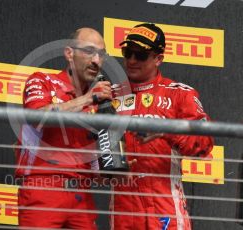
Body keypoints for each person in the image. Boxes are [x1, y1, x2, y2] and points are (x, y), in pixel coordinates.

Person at [110, 23, 214, 230]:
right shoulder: (108, 95)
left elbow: (205, 145)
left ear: (158, 59)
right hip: (124, 210)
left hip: (165, 205)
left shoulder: (179, 94)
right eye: (127, 52)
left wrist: (165, 130)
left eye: (140, 55)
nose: (131, 60)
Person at [15, 28, 112, 229]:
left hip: (82, 196)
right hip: (43, 189)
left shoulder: (101, 103)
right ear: (69, 53)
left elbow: (95, 164)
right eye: (89, 51)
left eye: (101, 55)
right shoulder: (41, 80)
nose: (96, 60)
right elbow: (38, 117)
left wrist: (114, 169)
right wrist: (88, 98)